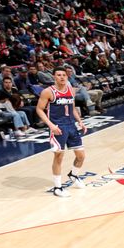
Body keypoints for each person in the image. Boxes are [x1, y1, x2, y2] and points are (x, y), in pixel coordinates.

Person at [35, 66, 88, 198]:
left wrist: (80, 121)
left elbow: (73, 108)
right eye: (58, 75)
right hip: (58, 127)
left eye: (64, 75)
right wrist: (51, 125)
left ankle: (73, 175)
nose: (62, 77)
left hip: (71, 125)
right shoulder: (48, 92)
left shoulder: (71, 90)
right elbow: (39, 109)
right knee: (59, 156)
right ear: (54, 77)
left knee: (81, 156)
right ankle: (57, 188)